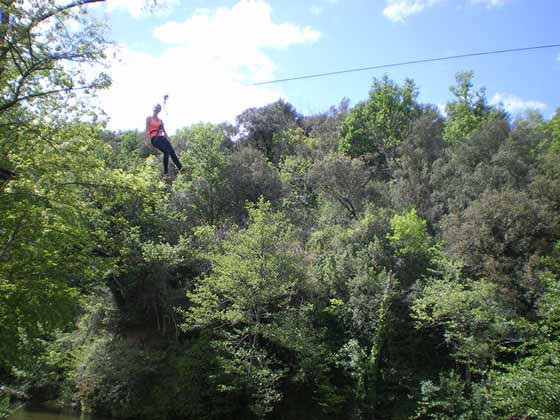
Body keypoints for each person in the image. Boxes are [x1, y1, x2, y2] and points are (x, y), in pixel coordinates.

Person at [144, 103, 187, 176]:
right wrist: (146, 140)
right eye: (156, 108)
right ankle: (166, 173)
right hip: (155, 139)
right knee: (166, 152)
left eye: (158, 109)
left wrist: (168, 138)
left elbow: (164, 130)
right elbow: (146, 129)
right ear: (153, 109)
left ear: (159, 110)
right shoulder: (149, 118)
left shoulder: (160, 120)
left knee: (172, 151)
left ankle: (180, 167)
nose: (157, 110)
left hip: (162, 137)